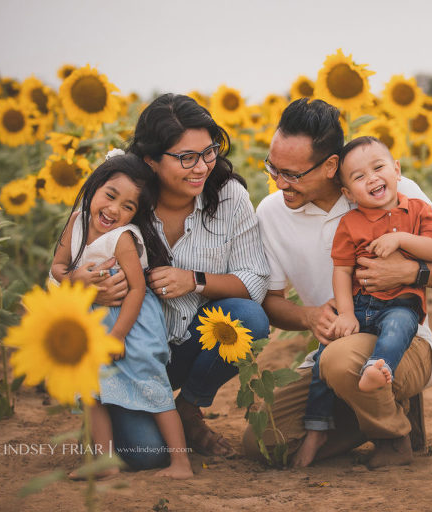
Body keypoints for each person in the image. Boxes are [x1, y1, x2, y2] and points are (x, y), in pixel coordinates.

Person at [243, 98, 432, 469]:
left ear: (330, 166)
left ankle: (393, 435)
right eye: (273, 168)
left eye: (292, 174)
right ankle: (378, 412)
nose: (278, 182)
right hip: (333, 349)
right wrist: (309, 316)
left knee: (340, 359)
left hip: (403, 341)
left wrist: (408, 273)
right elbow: (271, 303)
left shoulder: (391, 189)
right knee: (265, 442)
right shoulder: (271, 213)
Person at [69, 94, 270, 467]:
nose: (202, 167)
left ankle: (188, 407)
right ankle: (110, 414)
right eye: (186, 158)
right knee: (149, 456)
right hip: (127, 351)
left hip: (189, 343)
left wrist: (193, 280)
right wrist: (79, 281)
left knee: (249, 319)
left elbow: (255, 281)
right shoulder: (118, 189)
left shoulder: (229, 196)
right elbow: (66, 262)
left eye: (209, 152)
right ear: (150, 160)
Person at [301, 135, 432, 464]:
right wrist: (347, 314)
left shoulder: (418, 210)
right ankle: (316, 426)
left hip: (400, 304)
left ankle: (376, 371)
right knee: (324, 358)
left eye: (378, 167)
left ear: (397, 170)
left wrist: (400, 239)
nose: (372, 178)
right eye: (359, 177)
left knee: (397, 329)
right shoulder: (349, 224)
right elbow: (341, 271)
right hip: (362, 306)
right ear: (348, 194)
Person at [51, 153, 193, 478]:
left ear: (135, 215)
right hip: (90, 322)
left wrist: (117, 336)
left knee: (152, 385)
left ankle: (181, 463)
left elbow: (137, 290)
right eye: (110, 195)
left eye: (128, 206)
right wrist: (76, 279)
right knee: (92, 390)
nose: (115, 209)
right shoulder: (76, 222)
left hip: (131, 326)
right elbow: (58, 267)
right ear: (93, 187)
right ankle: (105, 464)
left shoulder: (123, 238)